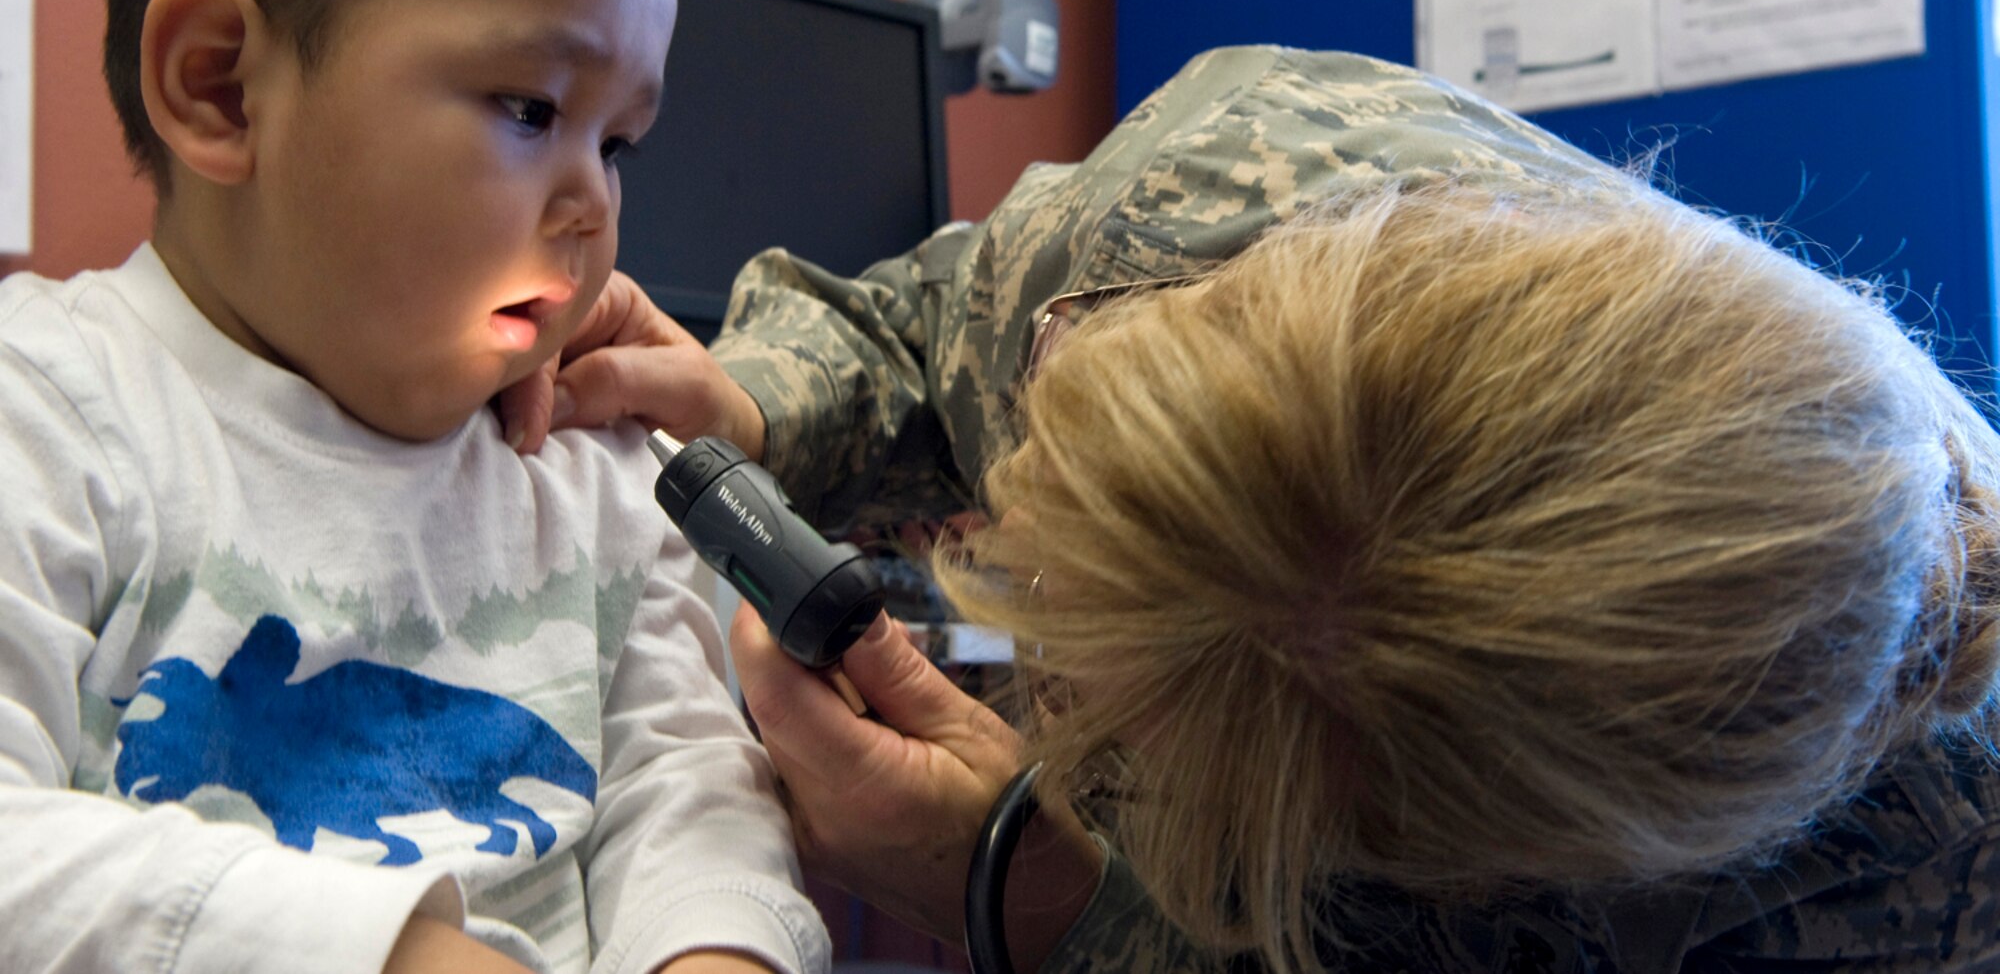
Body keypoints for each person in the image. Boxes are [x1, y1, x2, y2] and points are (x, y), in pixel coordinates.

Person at [501, 47, 2000, 972]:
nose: (1058, 701)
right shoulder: (1208, 195)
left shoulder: (1919, 892)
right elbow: (919, 328)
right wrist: (756, 401)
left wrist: (1047, 904)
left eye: (1141, 745)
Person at [0, 0, 829, 974]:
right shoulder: (50, 405)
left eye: (618, 145)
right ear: (222, 87)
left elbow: (690, 786)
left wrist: (720, 946)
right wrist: (394, 954)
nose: (593, 208)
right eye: (531, 109)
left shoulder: (587, 467)